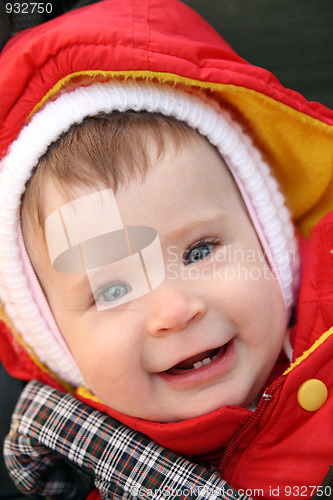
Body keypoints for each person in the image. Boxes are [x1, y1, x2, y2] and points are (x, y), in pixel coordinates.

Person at [0, 0, 332, 499]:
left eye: (199, 251)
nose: (174, 312)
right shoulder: (72, 471)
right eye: (112, 289)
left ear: (268, 242)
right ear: (57, 342)